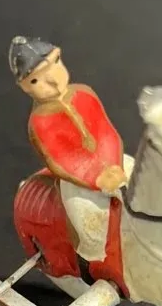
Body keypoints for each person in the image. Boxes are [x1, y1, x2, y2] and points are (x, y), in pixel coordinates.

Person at [9, 35, 126, 261]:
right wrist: (95, 179)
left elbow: (106, 132)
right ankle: (94, 261)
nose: (53, 80)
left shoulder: (84, 93)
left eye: (55, 64)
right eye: (36, 80)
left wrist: (115, 164)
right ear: (25, 87)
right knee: (87, 222)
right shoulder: (39, 122)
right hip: (77, 180)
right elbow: (60, 159)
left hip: (111, 162)